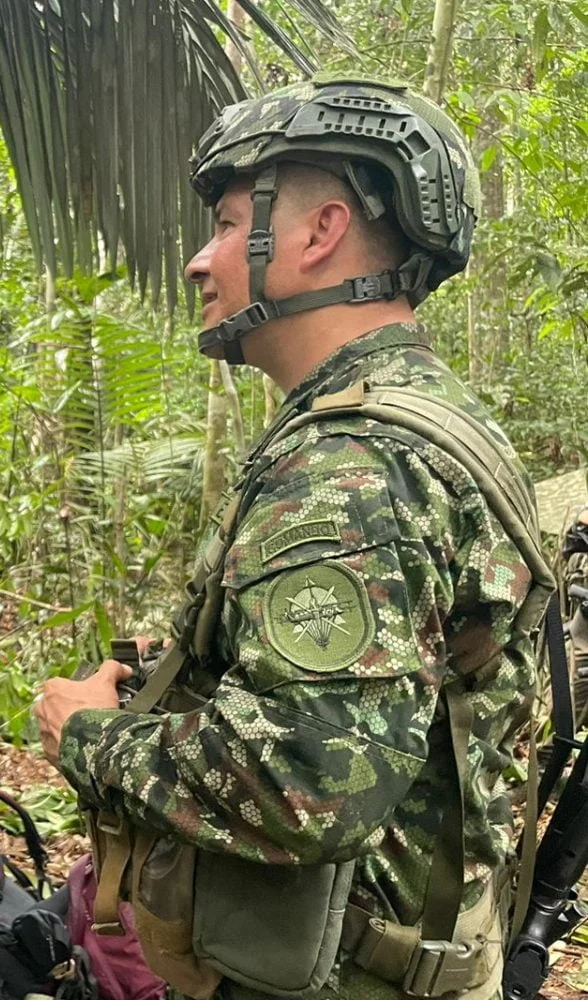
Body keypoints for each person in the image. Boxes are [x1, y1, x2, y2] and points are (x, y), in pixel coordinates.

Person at [34, 77, 549, 1000]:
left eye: (229, 225)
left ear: (319, 234)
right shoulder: (435, 419)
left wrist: (89, 736)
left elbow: (312, 779)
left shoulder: (348, 466)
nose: (200, 260)